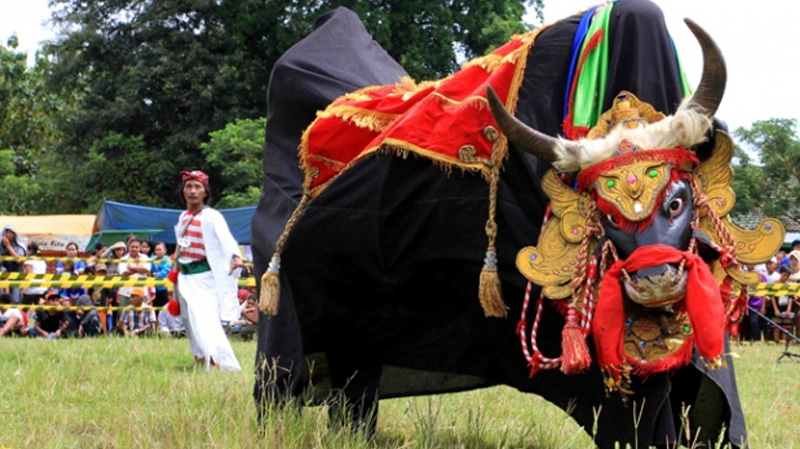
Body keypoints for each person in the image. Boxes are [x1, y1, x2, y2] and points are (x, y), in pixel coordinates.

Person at [174, 169, 245, 371]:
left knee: (205, 321)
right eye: (189, 186)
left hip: (203, 276)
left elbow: (226, 239)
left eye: (198, 187)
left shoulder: (211, 216)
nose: (193, 191)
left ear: (205, 192)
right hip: (184, 276)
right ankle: (200, 356)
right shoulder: (181, 217)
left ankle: (220, 363)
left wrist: (236, 257)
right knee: (189, 320)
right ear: (183, 191)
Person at [117, 238, 152, 307]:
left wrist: (132, 268)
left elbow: (147, 270)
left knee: (142, 315)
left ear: (140, 248)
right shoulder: (123, 259)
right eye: (132, 247)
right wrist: (139, 268)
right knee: (124, 316)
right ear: (128, 247)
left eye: (136, 247)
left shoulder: (145, 258)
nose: (134, 249)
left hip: (141, 292)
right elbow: (123, 274)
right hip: (126, 293)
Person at [1, 225, 27, 304]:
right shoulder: (1, 246)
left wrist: (8, 246)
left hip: (16, 276)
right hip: (3, 277)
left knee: (15, 300)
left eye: (11, 233)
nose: (9, 235)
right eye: (7, 232)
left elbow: (19, 260)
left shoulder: (19, 246)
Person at [150, 242, 172, 309]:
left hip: (164, 288)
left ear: (165, 250)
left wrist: (154, 275)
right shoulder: (153, 260)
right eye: (156, 250)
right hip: (154, 288)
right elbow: (150, 271)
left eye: (160, 249)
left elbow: (163, 273)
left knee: (163, 308)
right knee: (155, 308)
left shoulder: (168, 260)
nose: (158, 251)